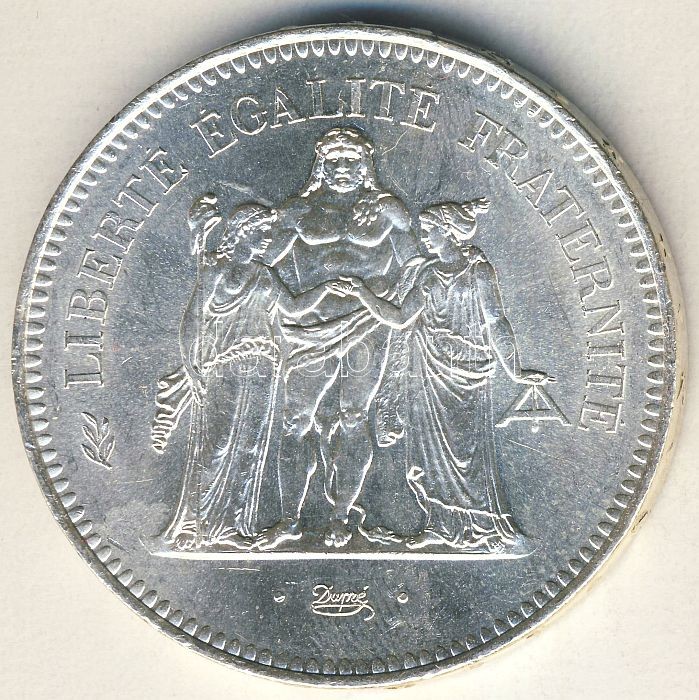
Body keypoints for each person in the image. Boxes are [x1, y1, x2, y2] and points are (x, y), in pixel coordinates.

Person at [331, 199, 550, 552]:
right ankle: (438, 525)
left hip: (467, 369)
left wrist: (516, 370)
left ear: (448, 231)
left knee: (467, 453)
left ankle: (483, 525)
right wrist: (362, 293)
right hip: (429, 370)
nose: (424, 237)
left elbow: (496, 321)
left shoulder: (478, 270)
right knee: (429, 454)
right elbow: (400, 317)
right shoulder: (428, 274)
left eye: (429, 230)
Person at [257, 127, 418, 550]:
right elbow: (263, 266)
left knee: (353, 415)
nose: (343, 168)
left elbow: (414, 266)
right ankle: (290, 519)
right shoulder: (298, 211)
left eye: (351, 161)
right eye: (334, 162)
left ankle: (341, 515)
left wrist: (382, 299)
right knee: (296, 420)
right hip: (309, 328)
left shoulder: (387, 210)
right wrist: (288, 304)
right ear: (321, 167)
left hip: (366, 324)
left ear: (365, 166)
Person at [155, 195, 340, 551]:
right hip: (224, 365)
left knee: (250, 448)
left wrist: (326, 288)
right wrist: (191, 365)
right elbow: (192, 321)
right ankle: (195, 525)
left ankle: (232, 527)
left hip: (263, 368)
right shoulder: (214, 269)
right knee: (216, 445)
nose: (268, 239)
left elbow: (293, 308)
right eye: (262, 232)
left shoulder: (265, 274)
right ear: (242, 231)